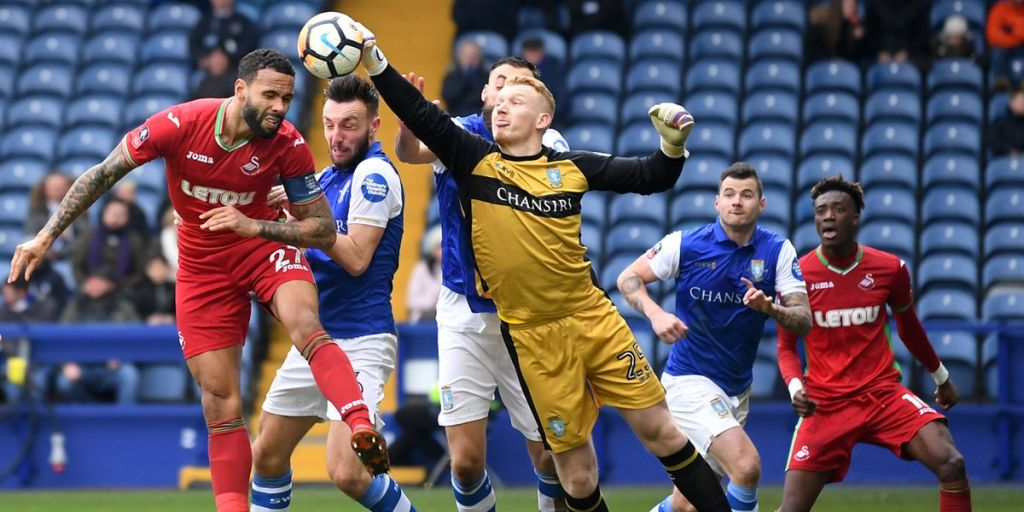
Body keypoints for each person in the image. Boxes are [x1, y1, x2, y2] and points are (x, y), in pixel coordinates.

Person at [359, 23, 731, 512]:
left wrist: (673, 147)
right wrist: (373, 59)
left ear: (543, 119)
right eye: (498, 98)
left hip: (592, 317)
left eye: (515, 99)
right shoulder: (474, 159)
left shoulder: (572, 166)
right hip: (531, 335)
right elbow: (418, 117)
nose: (501, 106)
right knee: (576, 475)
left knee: (662, 431)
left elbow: (649, 176)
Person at [8, 49, 386, 512]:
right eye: (270, 95)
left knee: (305, 322)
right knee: (219, 402)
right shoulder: (180, 125)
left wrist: (256, 227)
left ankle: (358, 419)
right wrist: (45, 237)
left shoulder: (287, 144)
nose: (280, 108)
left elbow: (322, 230)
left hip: (262, 245)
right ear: (240, 89)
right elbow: (105, 174)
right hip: (202, 264)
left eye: (287, 99)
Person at [395, 56, 571, 512]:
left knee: (550, 457)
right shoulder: (458, 132)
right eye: (501, 83)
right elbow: (409, 154)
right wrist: (410, 123)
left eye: (521, 86)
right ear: (485, 94)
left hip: (527, 316)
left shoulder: (548, 142)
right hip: (462, 311)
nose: (508, 92)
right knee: (467, 463)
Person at [250, 74, 415, 512]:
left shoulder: (374, 175)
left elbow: (358, 257)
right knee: (265, 455)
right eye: (329, 124)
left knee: (346, 472)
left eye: (349, 125)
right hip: (316, 341)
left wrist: (295, 230)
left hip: (361, 339)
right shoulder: (325, 177)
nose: (336, 137)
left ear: (374, 126)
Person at [617, 163, 812, 512]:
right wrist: (656, 313)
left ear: (762, 204)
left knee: (687, 503)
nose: (737, 202)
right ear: (717, 203)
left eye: (747, 195)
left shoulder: (778, 251)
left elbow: (802, 320)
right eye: (730, 194)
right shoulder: (687, 244)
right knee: (746, 466)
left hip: (737, 389)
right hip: (690, 381)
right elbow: (628, 279)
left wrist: (771, 309)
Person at [776, 175, 971, 512]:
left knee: (952, 464)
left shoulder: (889, 269)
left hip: (882, 395)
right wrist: (796, 389)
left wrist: (942, 378)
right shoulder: (798, 276)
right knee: (792, 509)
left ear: (855, 218)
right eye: (821, 210)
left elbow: (910, 330)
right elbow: (785, 347)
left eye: (838, 209)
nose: (828, 216)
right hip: (825, 404)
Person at [69, 198, 148, 288]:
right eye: (112, 213)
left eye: (120, 214)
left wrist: (117, 286)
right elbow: (77, 264)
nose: (115, 216)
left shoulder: (135, 239)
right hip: (90, 288)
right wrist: (86, 285)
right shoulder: (89, 236)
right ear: (104, 213)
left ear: (128, 217)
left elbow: (140, 271)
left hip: (123, 290)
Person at [189, 0, 258, 97]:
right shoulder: (203, 22)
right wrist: (208, 61)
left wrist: (228, 60)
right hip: (207, 72)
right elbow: (194, 47)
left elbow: (250, 48)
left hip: (234, 70)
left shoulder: (244, 22)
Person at [405, 224, 442, 323]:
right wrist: (432, 300)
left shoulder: (456, 271)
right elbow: (412, 301)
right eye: (440, 247)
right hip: (423, 320)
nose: (444, 250)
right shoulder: (421, 269)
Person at [442, 40, 488, 117]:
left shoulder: (486, 76)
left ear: (480, 58)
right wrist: (464, 79)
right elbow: (448, 98)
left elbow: (484, 99)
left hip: (479, 115)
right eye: (467, 56)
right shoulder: (451, 76)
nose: (470, 60)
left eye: (474, 57)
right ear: (459, 57)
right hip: (454, 114)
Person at [987, 0, 1024, 89]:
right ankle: (1002, 82)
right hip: (1005, 50)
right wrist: (1014, 39)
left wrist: (1010, 33)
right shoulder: (1000, 8)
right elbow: (992, 36)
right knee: (997, 52)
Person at [990, 88, 1024, 157]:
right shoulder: (999, 122)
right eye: (1020, 101)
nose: (1022, 104)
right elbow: (993, 142)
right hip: (1002, 158)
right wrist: (1009, 151)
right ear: (1011, 103)